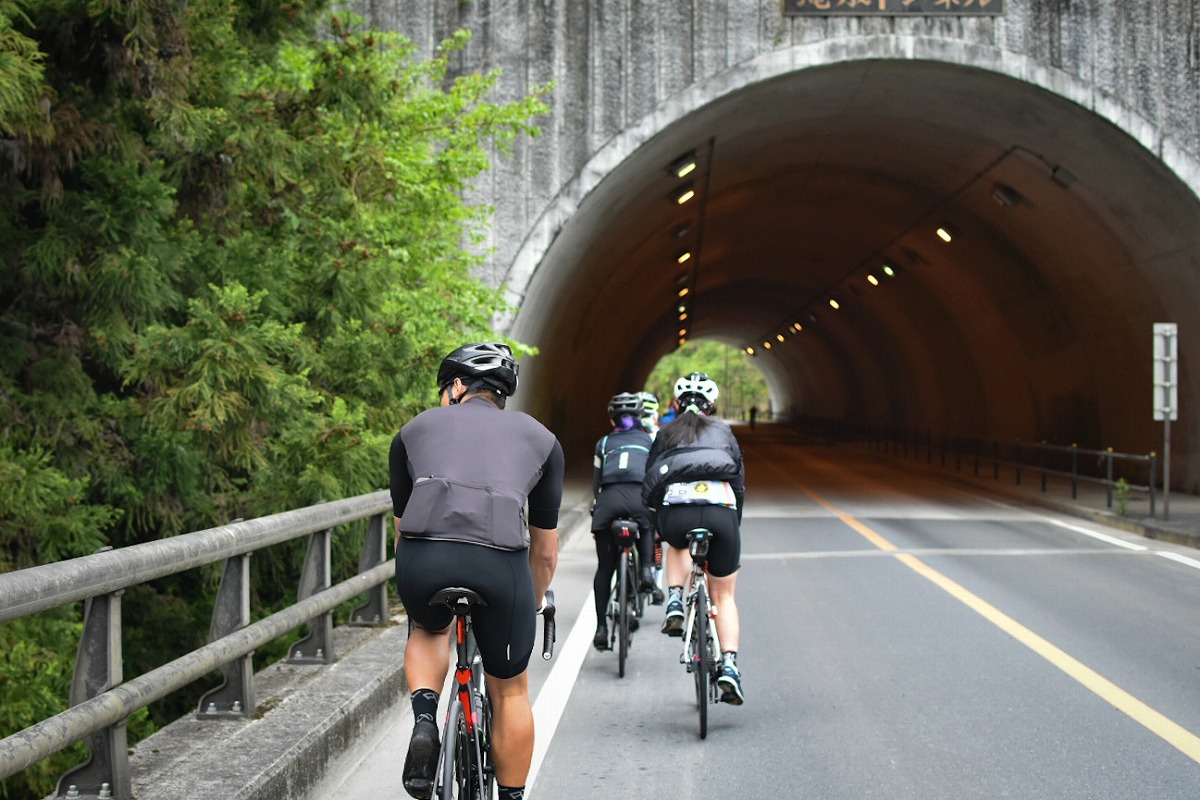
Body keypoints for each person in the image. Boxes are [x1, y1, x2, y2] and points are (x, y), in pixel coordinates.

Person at [389, 342, 564, 800]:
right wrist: (532, 599)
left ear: (458, 386)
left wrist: (415, 582)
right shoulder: (542, 440)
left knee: (427, 630)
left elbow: (401, 530)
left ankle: (425, 722)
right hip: (498, 562)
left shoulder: (414, 429)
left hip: (422, 560)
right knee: (510, 691)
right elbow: (545, 552)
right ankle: (509, 796)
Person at [642, 371, 747, 705]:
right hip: (722, 513)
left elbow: (650, 481)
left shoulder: (666, 432)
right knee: (725, 595)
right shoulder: (724, 431)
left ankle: (674, 597)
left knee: (675, 543)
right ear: (711, 405)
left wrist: (656, 519)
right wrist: (733, 523)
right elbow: (739, 483)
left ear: (676, 403)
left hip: (678, 512)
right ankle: (729, 665)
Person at [590, 392, 656, 649]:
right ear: (640, 417)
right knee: (648, 524)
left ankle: (601, 628)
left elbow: (597, 482)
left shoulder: (604, 443)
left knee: (604, 568)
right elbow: (654, 477)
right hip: (638, 498)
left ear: (611, 420)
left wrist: (596, 506)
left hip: (609, 501)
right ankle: (647, 569)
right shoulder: (650, 440)